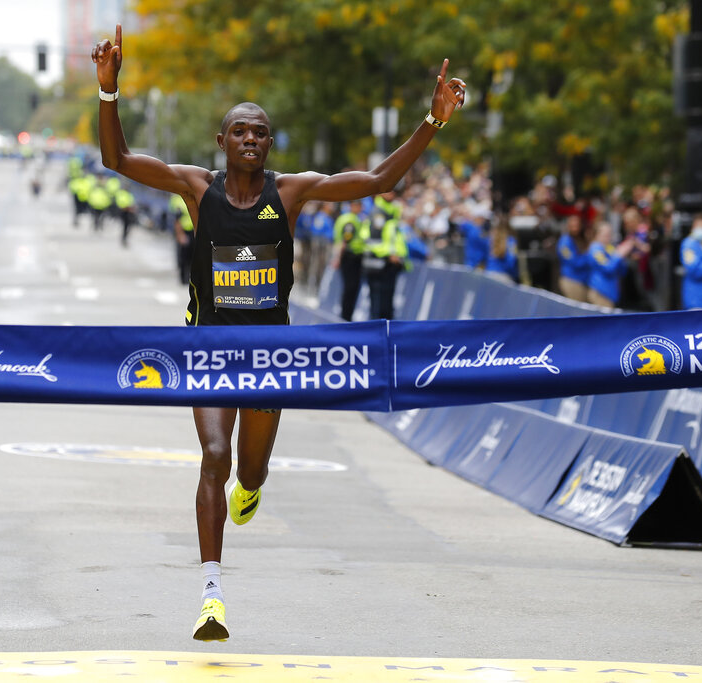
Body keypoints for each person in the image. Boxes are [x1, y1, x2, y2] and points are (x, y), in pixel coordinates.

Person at [93, 23, 465, 641]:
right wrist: (109, 92)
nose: (250, 139)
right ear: (222, 142)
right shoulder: (196, 187)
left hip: (270, 354)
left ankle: (252, 487)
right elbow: (118, 160)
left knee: (250, 471)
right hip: (209, 348)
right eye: (239, 130)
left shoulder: (290, 193)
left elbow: (378, 182)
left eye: (260, 132)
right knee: (213, 456)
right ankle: (211, 595)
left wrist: (433, 121)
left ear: (269, 144)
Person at [363, 194, 409, 319]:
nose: (392, 193)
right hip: (379, 265)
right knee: (378, 307)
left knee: (387, 306)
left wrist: (400, 257)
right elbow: (373, 241)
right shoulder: (378, 213)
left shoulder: (392, 212)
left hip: (390, 266)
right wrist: (389, 255)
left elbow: (396, 240)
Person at [332, 199, 367, 320]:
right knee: (351, 288)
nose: (361, 208)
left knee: (350, 288)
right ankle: (346, 317)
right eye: (359, 205)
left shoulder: (348, 218)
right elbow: (345, 241)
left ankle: (346, 315)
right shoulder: (350, 220)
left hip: (350, 257)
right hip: (350, 257)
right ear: (353, 206)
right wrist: (337, 258)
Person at [586, 221, 633, 309]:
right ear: (597, 234)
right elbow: (607, 268)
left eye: (610, 234)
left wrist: (621, 256)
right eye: (605, 234)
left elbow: (622, 271)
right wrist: (618, 255)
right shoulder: (595, 249)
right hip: (600, 292)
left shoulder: (609, 247)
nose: (608, 237)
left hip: (611, 293)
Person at [557, 213, 589, 302]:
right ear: (568, 226)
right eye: (572, 226)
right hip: (571, 280)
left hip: (580, 281)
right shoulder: (564, 242)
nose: (575, 228)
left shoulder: (579, 239)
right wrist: (588, 256)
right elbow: (574, 262)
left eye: (577, 226)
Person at [169, 192, 195, 285]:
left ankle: (192, 278)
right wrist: (180, 235)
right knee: (183, 256)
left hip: (193, 231)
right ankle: (183, 279)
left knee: (193, 256)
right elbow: (177, 220)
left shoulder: (193, 196)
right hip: (183, 231)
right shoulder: (177, 200)